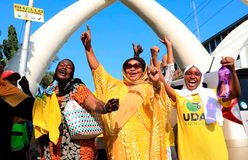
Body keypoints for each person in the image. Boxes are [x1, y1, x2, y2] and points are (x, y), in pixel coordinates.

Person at [81, 25, 170, 159]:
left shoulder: (149, 87)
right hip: (118, 148)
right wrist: (88, 49)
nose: (132, 69)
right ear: (124, 70)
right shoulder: (114, 86)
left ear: (143, 70)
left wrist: (157, 82)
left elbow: (160, 97)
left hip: (144, 149)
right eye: (129, 66)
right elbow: (97, 70)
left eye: (137, 66)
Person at [34, 58, 119, 159]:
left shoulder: (77, 88)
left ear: (72, 73)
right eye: (61, 65)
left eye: (68, 67)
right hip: (52, 148)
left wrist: (106, 107)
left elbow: (94, 103)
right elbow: (39, 115)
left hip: (77, 148)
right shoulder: (49, 90)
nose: (64, 67)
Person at [159, 56, 241, 160]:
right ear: (184, 77)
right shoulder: (179, 95)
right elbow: (163, 85)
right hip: (189, 154)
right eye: (189, 73)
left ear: (201, 78)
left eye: (197, 74)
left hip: (215, 152)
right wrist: (155, 63)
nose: (192, 76)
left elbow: (235, 93)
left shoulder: (213, 93)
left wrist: (232, 71)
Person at [1, 70, 32, 160]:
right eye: (10, 79)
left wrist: (26, 89)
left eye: (15, 80)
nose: (14, 82)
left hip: (19, 148)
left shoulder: (18, 98)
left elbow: (32, 109)